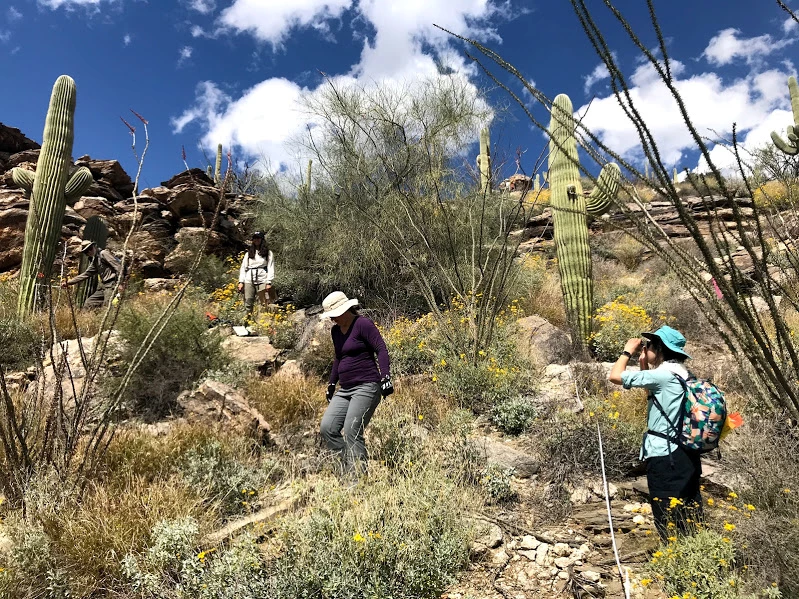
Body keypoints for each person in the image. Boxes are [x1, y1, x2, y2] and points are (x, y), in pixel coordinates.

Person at [608, 325, 702, 539]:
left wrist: (627, 352)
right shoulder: (684, 374)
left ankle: (676, 559)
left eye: (649, 345)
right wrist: (643, 364)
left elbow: (615, 376)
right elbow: (654, 394)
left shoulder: (663, 376)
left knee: (666, 514)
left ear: (660, 349)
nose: (646, 347)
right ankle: (692, 555)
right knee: (689, 511)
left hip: (665, 456)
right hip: (687, 453)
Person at [319, 291, 393, 476]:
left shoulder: (362, 324)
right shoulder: (335, 331)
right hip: (345, 389)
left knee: (352, 430)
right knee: (328, 428)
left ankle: (358, 480)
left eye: (333, 315)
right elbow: (338, 357)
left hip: (367, 386)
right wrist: (331, 383)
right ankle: (347, 472)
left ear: (344, 310)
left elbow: (381, 349)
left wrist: (385, 377)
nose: (332, 320)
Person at [61, 240, 125, 308]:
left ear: (94, 246)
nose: (89, 252)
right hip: (103, 286)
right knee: (89, 303)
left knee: (107, 306)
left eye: (90, 249)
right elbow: (85, 274)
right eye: (86, 252)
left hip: (111, 284)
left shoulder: (104, 253)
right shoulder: (95, 261)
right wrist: (69, 282)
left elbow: (118, 267)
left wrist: (121, 283)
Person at [237, 231, 275, 316]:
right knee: (248, 301)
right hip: (249, 280)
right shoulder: (248, 253)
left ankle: (265, 323)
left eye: (258, 238)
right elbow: (243, 268)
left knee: (265, 302)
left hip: (262, 279)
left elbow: (270, 267)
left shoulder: (268, 253)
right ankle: (248, 322)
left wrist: (269, 282)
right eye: (254, 238)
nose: (256, 240)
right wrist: (241, 282)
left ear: (262, 239)